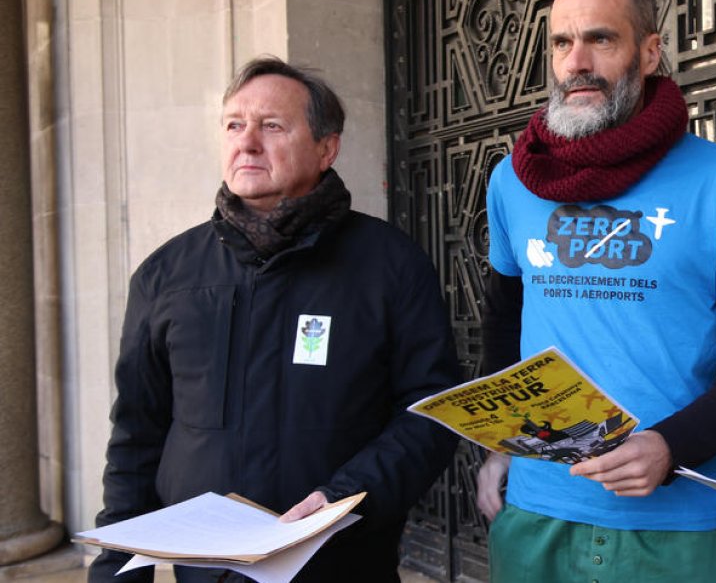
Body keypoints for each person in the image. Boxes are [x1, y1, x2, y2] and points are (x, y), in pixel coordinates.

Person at [90, 57, 462, 582]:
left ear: (326, 147)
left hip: (341, 563)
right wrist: (116, 568)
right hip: (206, 571)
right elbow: (137, 433)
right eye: (234, 125)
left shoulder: (390, 265)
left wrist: (344, 498)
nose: (247, 142)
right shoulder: (166, 274)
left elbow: (430, 412)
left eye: (271, 126)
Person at [476, 0, 716, 581]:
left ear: (649, 50)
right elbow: (504, 328)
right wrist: (495, 448)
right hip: (535, 516)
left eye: (601, 39)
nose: (576, 61)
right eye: (561, 43)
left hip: (676, 526)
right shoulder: (512, 180)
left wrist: (669, 447)